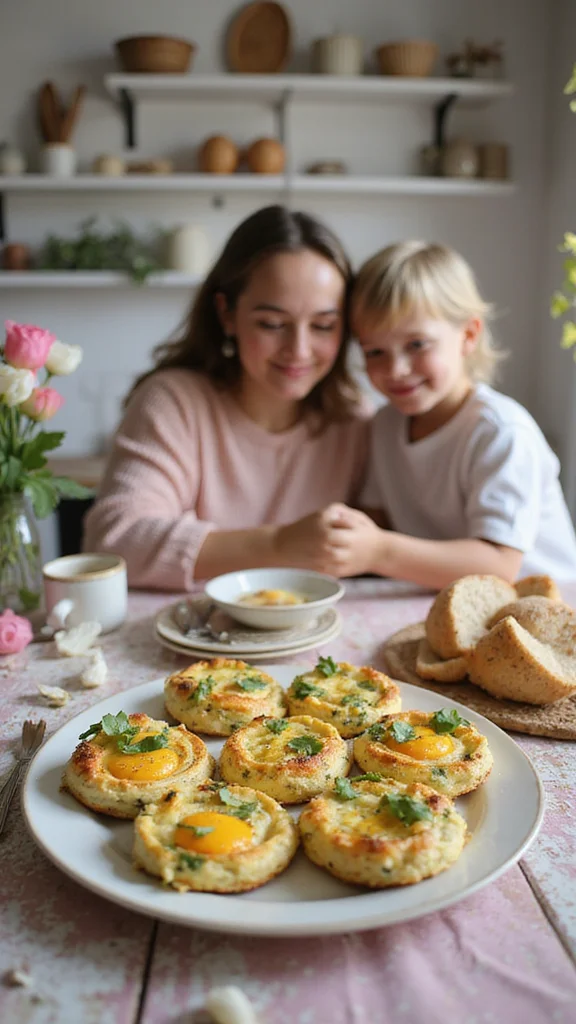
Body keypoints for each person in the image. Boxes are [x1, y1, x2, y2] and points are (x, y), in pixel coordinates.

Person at [83, 205, 370, 589]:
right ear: (227, 314)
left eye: (323, 325)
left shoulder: (354, 418)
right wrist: (279, 544)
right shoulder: (172, 401)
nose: (299, 350)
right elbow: (113, 542)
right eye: (272, 324)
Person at [315, 240, 576, 587]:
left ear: (468, 335)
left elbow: (498, 565)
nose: (396, 368)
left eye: (416, 345)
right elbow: (379, 519)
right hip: (450, 601)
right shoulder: (385, 425)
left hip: (544, 610)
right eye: (375, 350)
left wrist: (378, 551)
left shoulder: (500, 433)